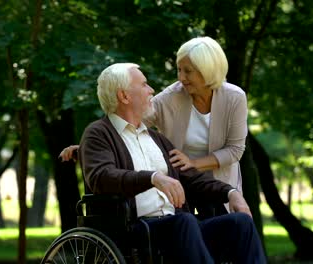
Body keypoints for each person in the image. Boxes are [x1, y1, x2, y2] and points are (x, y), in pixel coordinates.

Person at [79, 62, 265, 264]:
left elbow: (193, 180)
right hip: (135, 229)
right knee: (185, 221)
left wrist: (231, 193)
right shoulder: (98, 134)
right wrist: (153, 178)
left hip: (178, 226)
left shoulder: (157, 139)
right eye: (144, 85)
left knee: (241, 223)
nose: (151, 90)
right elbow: (102, 177)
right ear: (124, 96)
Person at [60, 36, 249, 218]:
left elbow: (235, 150)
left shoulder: (234, 98)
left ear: (206, 70)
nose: (181, 77)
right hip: (179, 182)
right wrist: (90, 147)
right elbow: (126, 125)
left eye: (188, 71)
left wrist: (193, 164)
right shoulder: (168, 99)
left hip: (218, 178)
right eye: (179, 70)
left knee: (234, 228)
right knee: (189, 227)